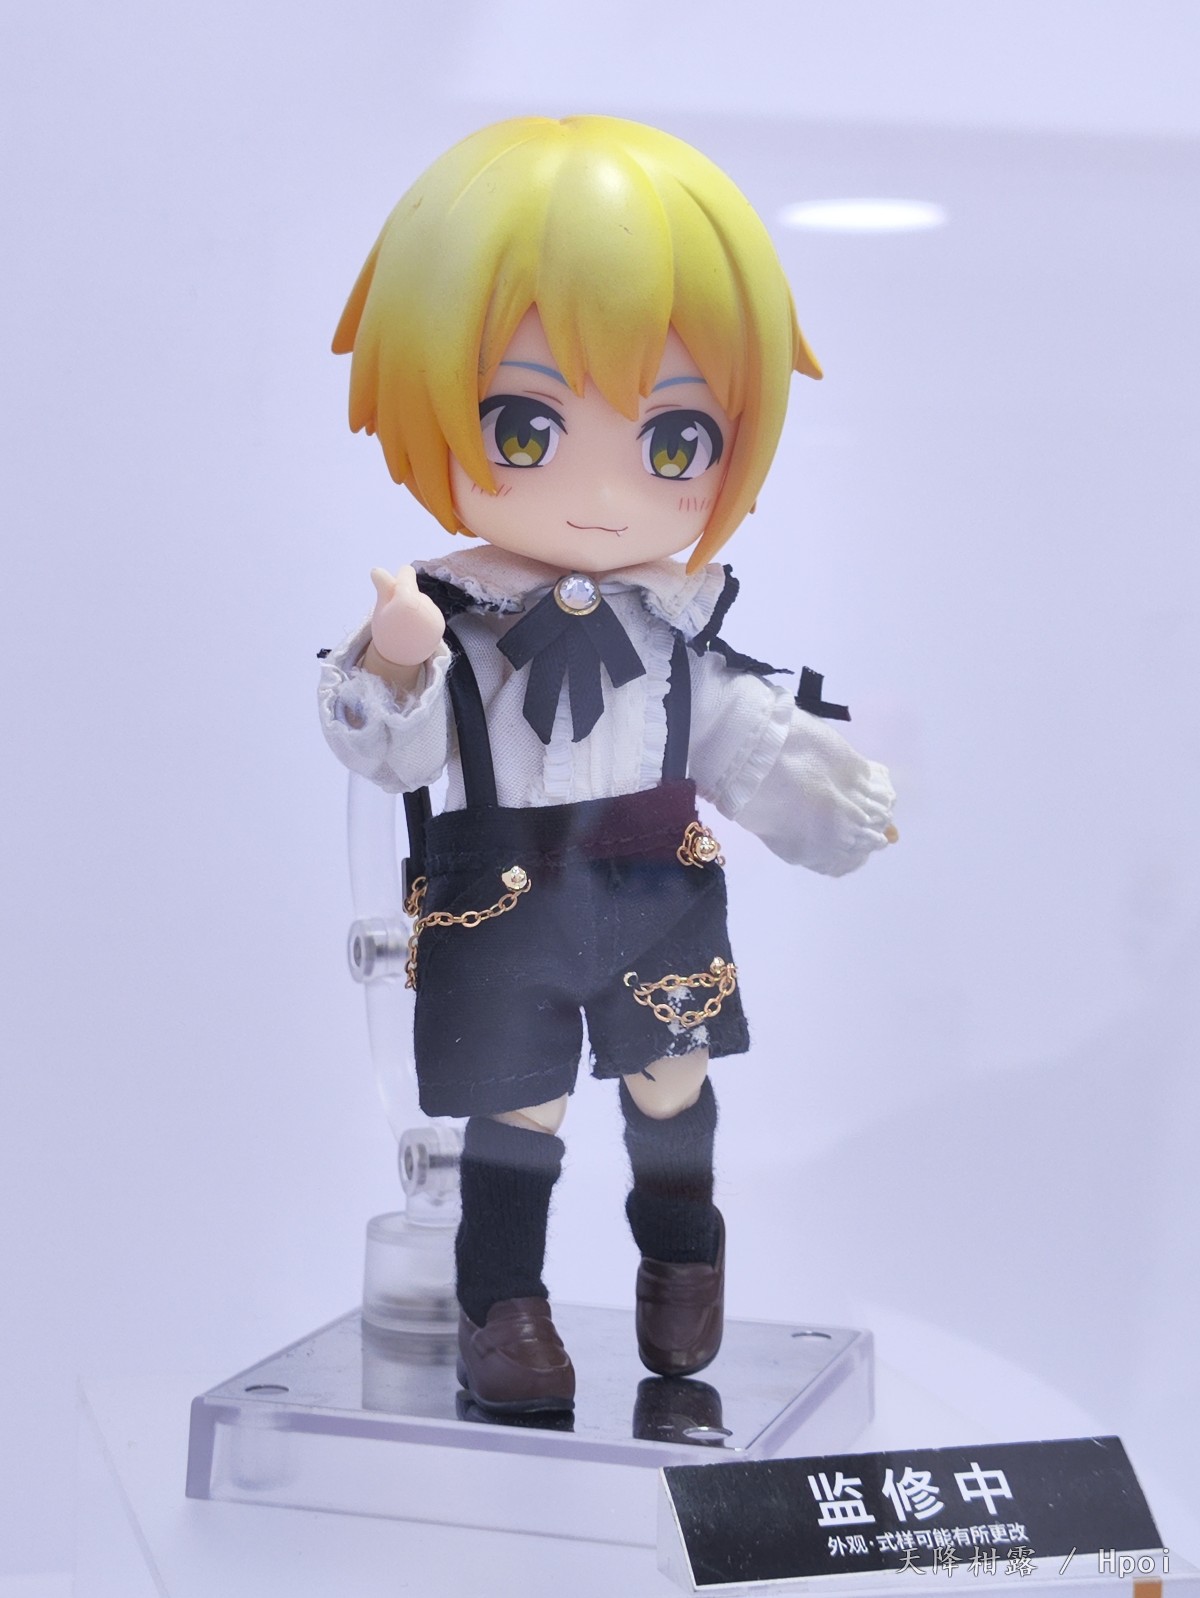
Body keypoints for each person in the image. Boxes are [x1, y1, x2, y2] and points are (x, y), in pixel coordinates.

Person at [319, 115, 897, 1416]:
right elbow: (389, 745)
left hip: (653, 883)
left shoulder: (678, 626)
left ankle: (683, 1262)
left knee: (672, 1085)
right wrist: (400, 659)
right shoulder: (455, 619)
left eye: (673, 442)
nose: (601, 489)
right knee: (517, 1114)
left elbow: (739, 734)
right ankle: (503, 1308)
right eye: (524, 425)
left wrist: (829, 798)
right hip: (498, 893)